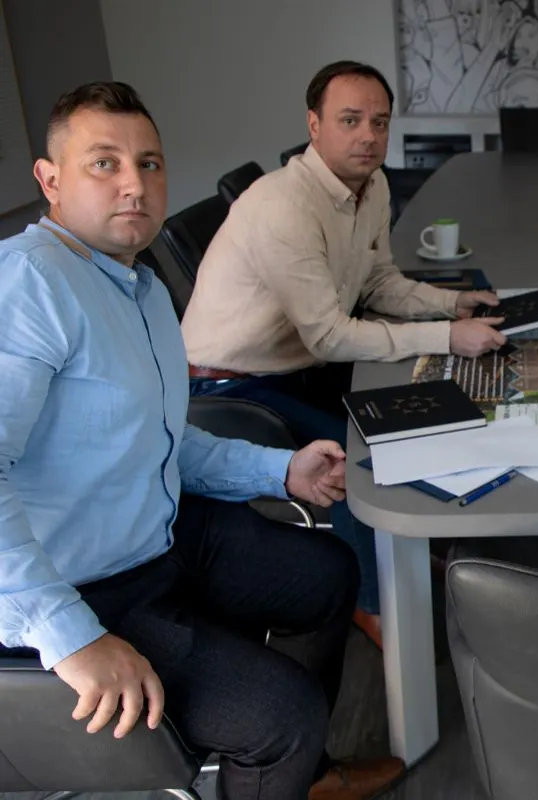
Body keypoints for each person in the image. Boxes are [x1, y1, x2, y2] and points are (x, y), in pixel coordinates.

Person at [0, 81, 407, 800]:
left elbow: (164, 440)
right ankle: (287, 756)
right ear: (50, 180)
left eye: (149, 164)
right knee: (281, 716)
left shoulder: (139, 287)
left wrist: (281, 470)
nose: (134, 185)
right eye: (105, 163)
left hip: (156, 536)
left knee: (326, 573)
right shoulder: (32, 284)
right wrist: (71, 635)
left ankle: (301, 777)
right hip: (80, 586)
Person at [181, 61, 505, 646]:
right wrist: (446, 336)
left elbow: (377, 282)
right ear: (314, 125)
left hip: (296, 366)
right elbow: (329, 336)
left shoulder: (371, 187)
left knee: (422, 406)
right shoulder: (284, 204)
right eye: (350, 120)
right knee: (362, 453)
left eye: (379, 122)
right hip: (230, 385)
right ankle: (374, 604)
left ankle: (413, 545)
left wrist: (451, 304)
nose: (368, 136)